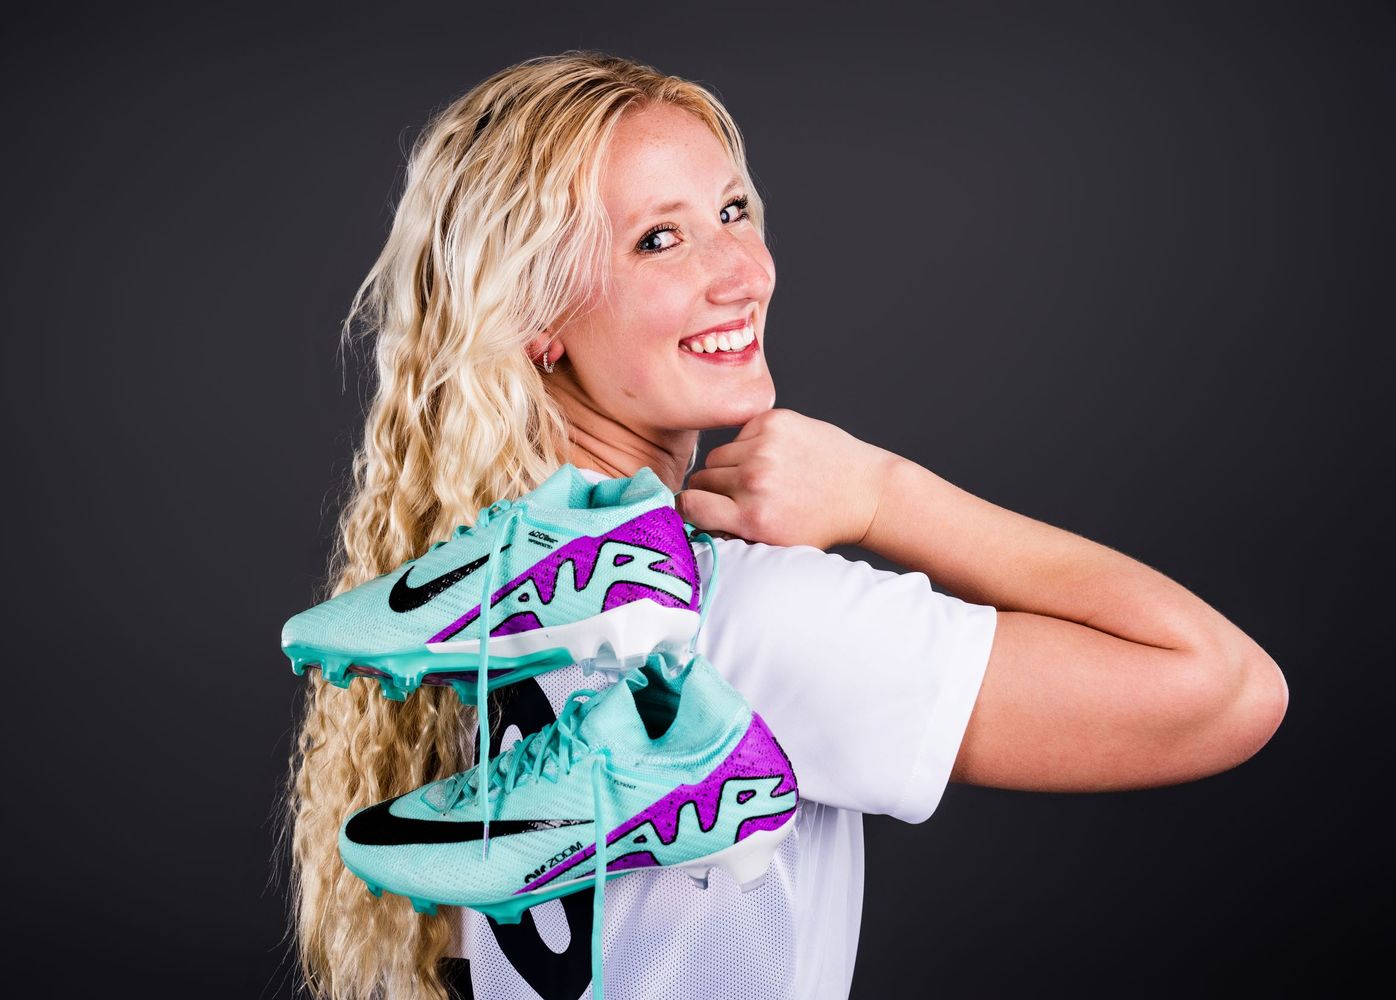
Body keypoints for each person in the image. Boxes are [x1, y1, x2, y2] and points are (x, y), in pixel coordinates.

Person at [279, 50, 1288, 1000]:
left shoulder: (465, 628)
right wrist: (887, 494)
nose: (742, 270)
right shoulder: (749, 623)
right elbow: (1225, 688)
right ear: (535, 315)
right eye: (659, 239)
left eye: (731, 211)